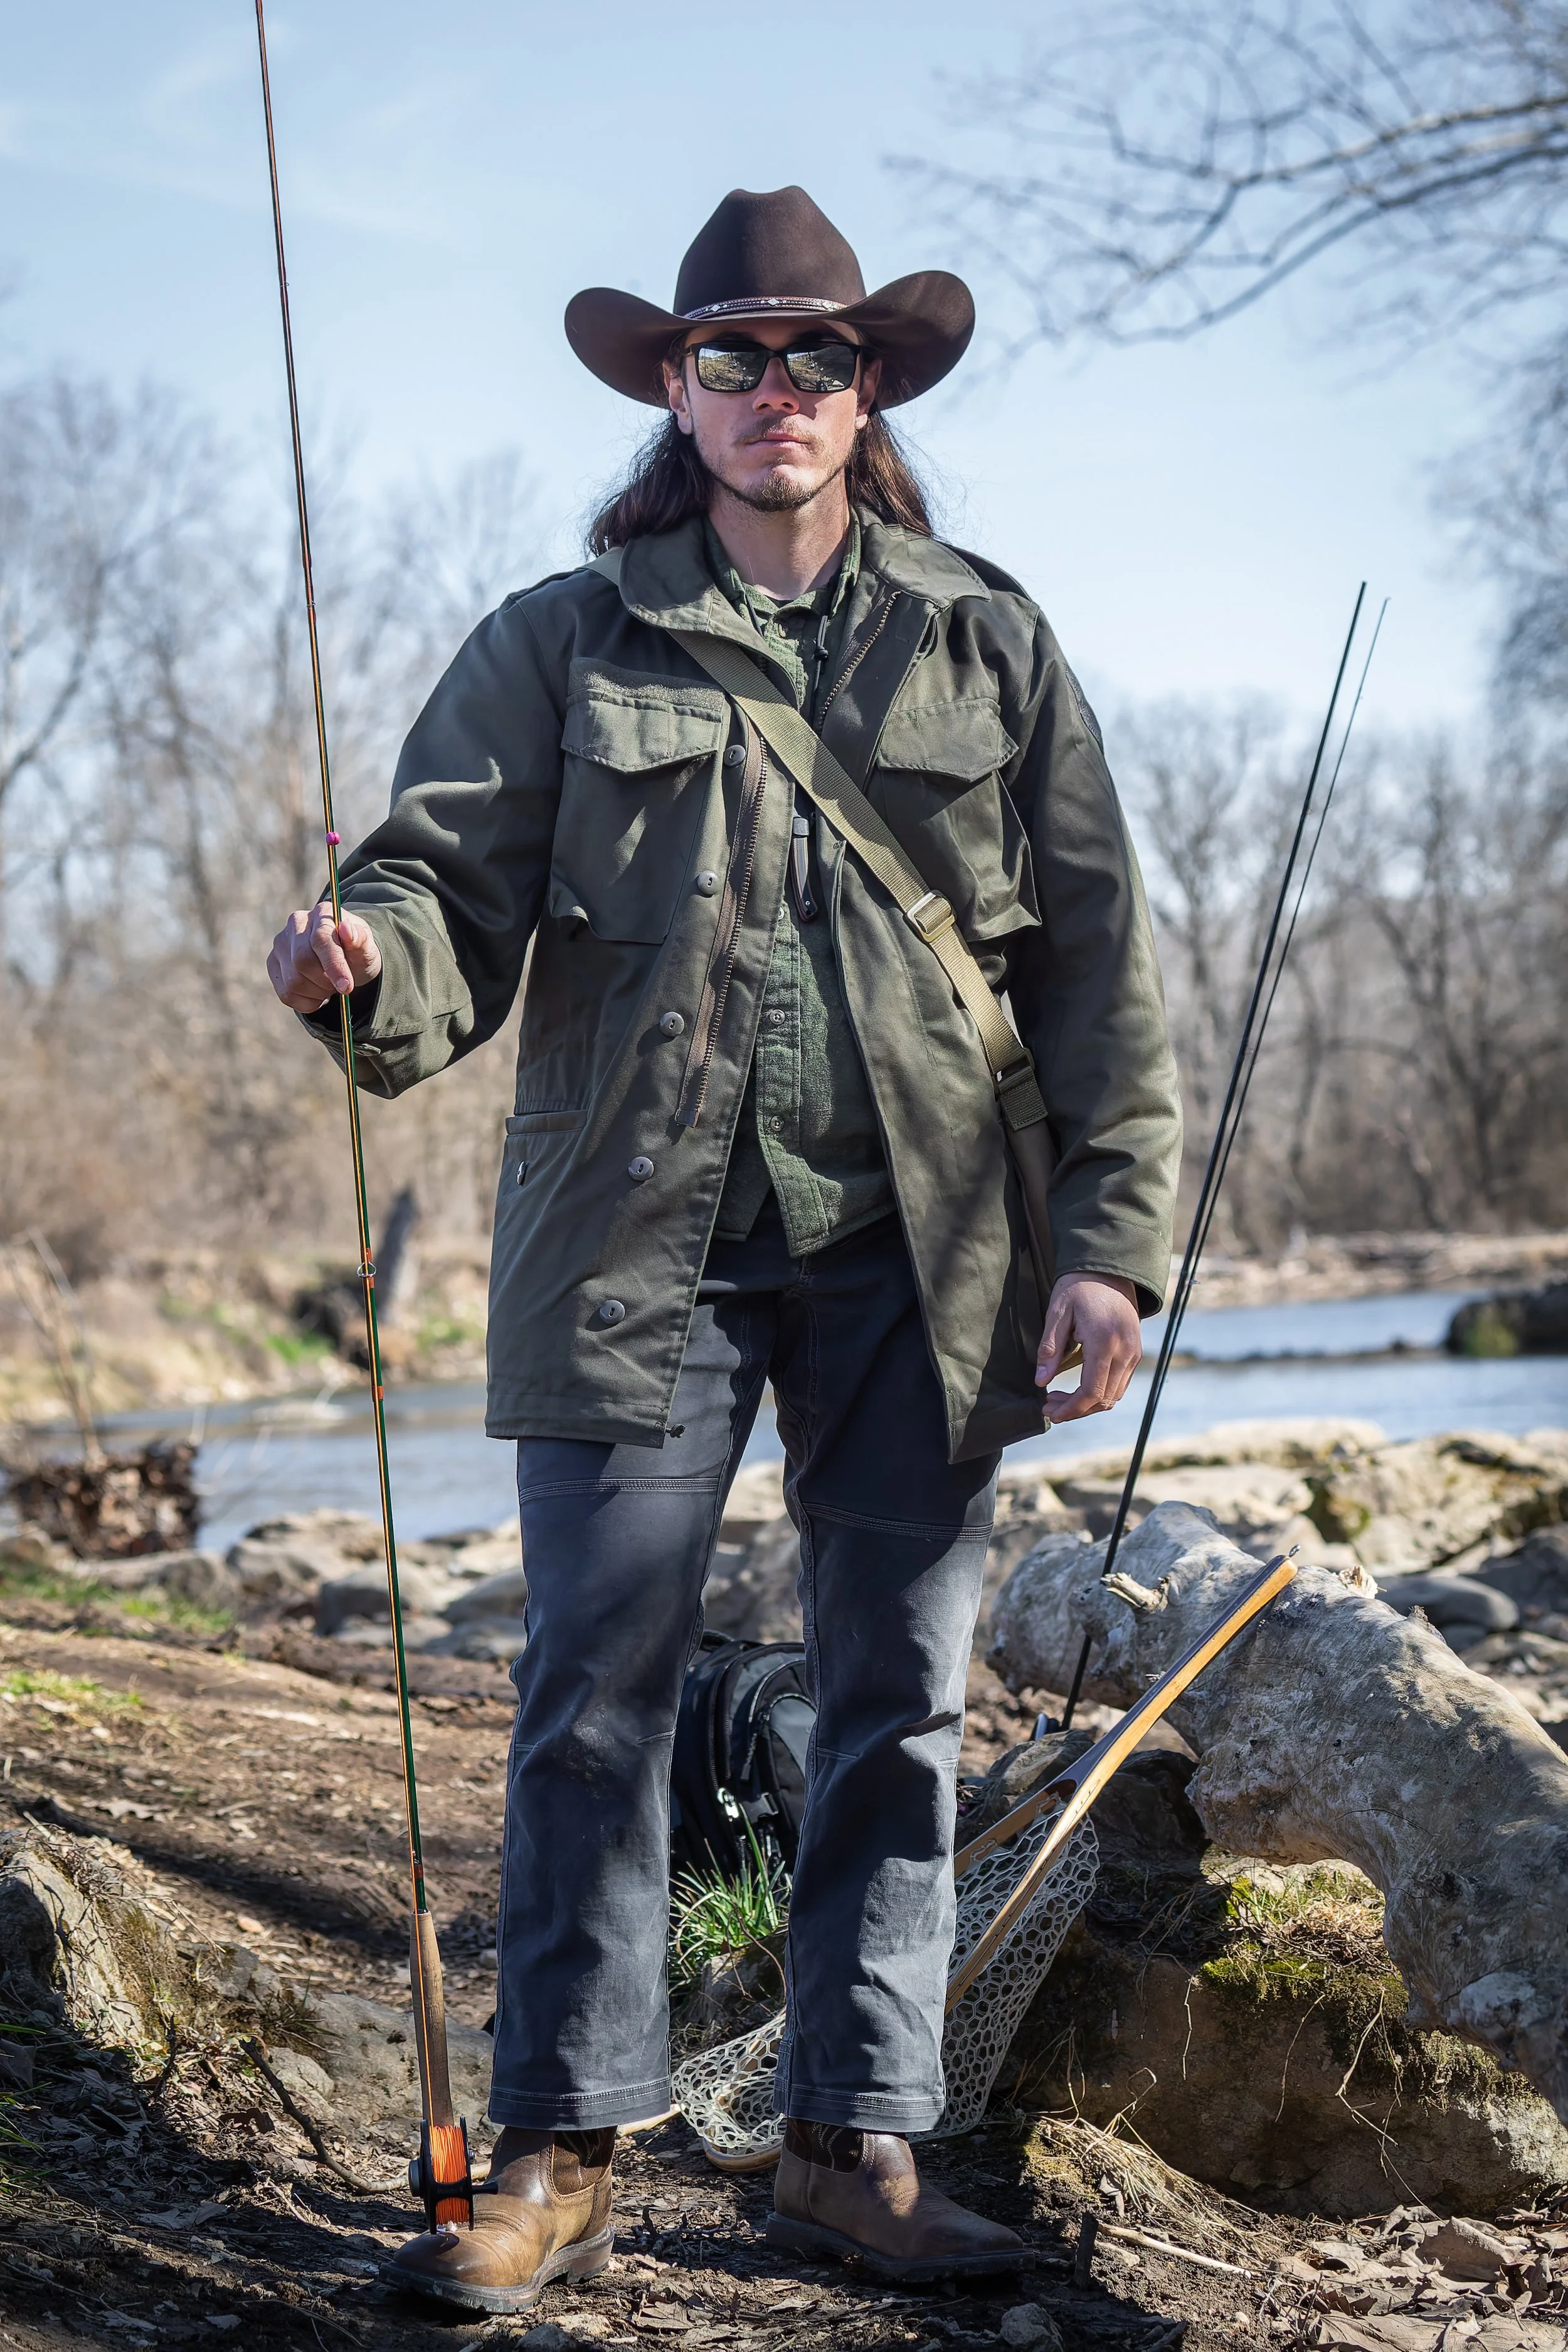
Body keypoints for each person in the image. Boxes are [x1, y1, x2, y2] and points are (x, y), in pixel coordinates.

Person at [268, 185, 1182, 2315]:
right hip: (631, 1251)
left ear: (869, 394)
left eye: (815, 357)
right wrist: (358, 963)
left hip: (926, 1256)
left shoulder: (985, 640)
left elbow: (1096, 966)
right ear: (674, 393)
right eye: (731, 357)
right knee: (592, 1692)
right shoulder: (557, 640)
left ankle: (852, 2146)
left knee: (898, 1703)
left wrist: (1108, 1244)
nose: (776, 390)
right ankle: (557, 2150)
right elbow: (433, 895)